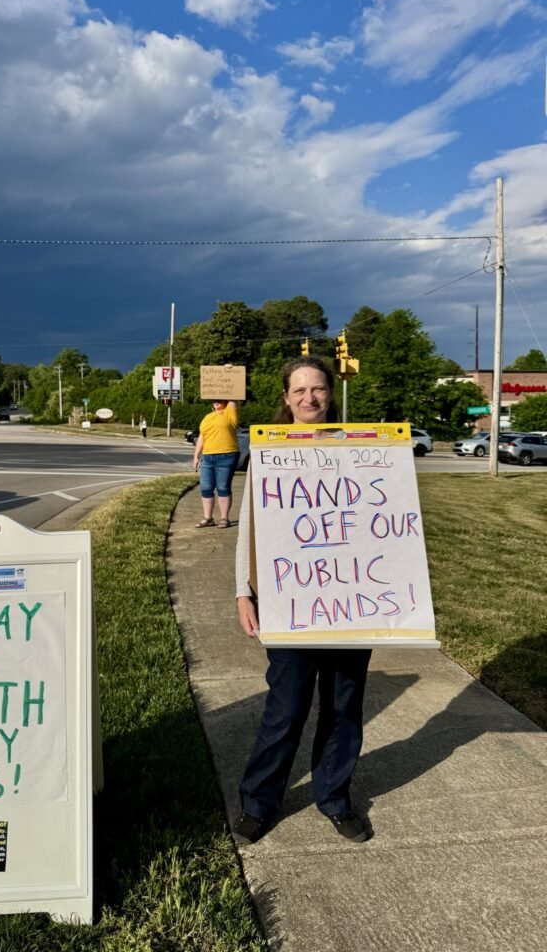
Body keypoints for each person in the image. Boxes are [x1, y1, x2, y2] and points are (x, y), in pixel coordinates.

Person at [233, 355, 371, 844]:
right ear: (286, 398)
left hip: (349, 598)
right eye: (300, 391)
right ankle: (259, 802)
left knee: (342, 705)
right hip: (289, 599)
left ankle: (335, 798)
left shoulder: (359, 449)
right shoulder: (269, 452)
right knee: (286, 707)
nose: (310, 398)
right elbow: (249, 525)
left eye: (319, 390)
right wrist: (242, 590)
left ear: (330, 395)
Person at [192, 398, 240, 529]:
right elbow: (202, 436)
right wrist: (196, 455)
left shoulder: (230, 412)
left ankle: (224, 518)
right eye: (214, 399)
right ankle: (208, 518)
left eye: (219, 398)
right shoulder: (208, 417)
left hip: (227, 455)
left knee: (223, 487)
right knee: (206, 488)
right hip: (207, 457)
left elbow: (233, 397)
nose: (216, 401)